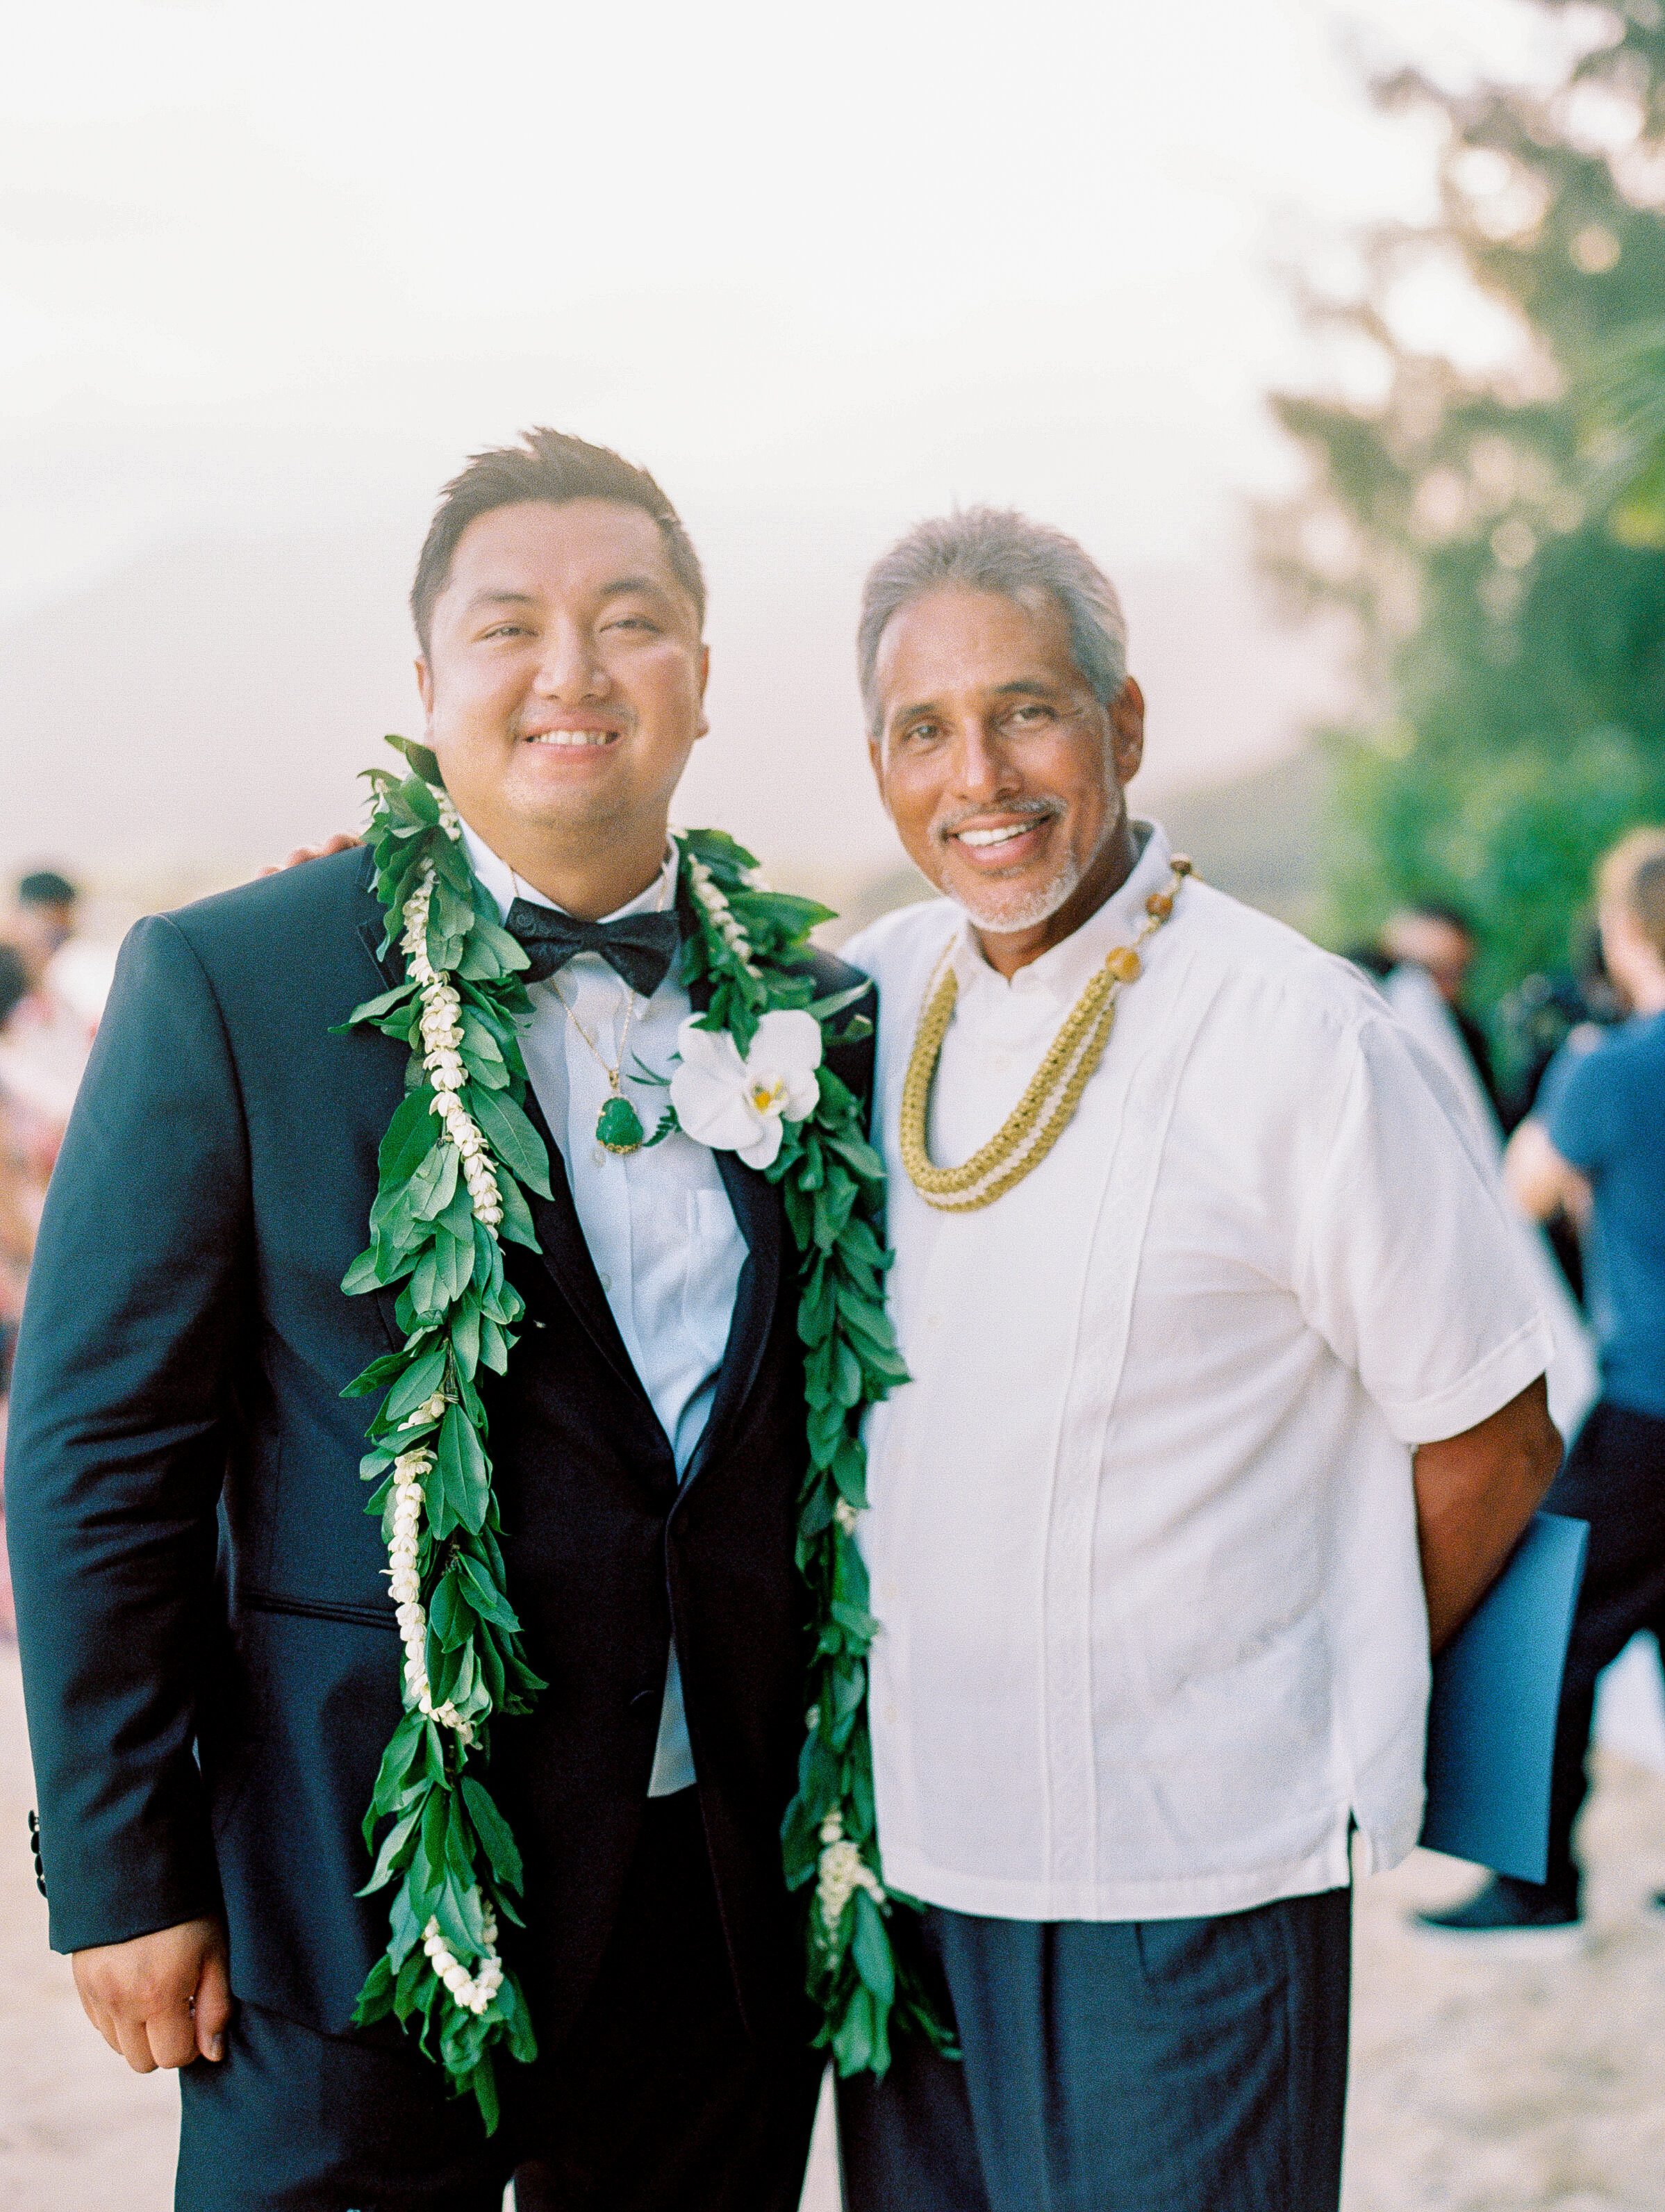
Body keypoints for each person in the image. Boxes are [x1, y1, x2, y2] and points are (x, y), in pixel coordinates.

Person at [5, 431, 875, 2211]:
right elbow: (98, 1445)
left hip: (718, 1905)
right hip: (352, 1890)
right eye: (508, 627)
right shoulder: (237, 981)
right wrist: (119, 1863)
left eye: (628, 620)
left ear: (701, 676)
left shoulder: (824, 1015)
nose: (571, 669)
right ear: (425, 683)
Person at [832, 509, 1564, 2212]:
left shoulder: (1295, 1033)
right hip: (913, 1867)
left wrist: (1305, 1669)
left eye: (1025, 710)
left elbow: (1494, 1432)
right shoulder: (870, 995)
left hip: (1189, 1877)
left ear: (1123, 723)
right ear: (878, 765)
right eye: (924, 729)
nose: (977, 775)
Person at [1418, 827, 1665, 1942]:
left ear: (1625, 935)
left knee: (1535, 1618)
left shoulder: (1608, 1068)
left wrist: (1564, 1067)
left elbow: (1521, 1189)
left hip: (1649, 1404)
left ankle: (1531, 1887)